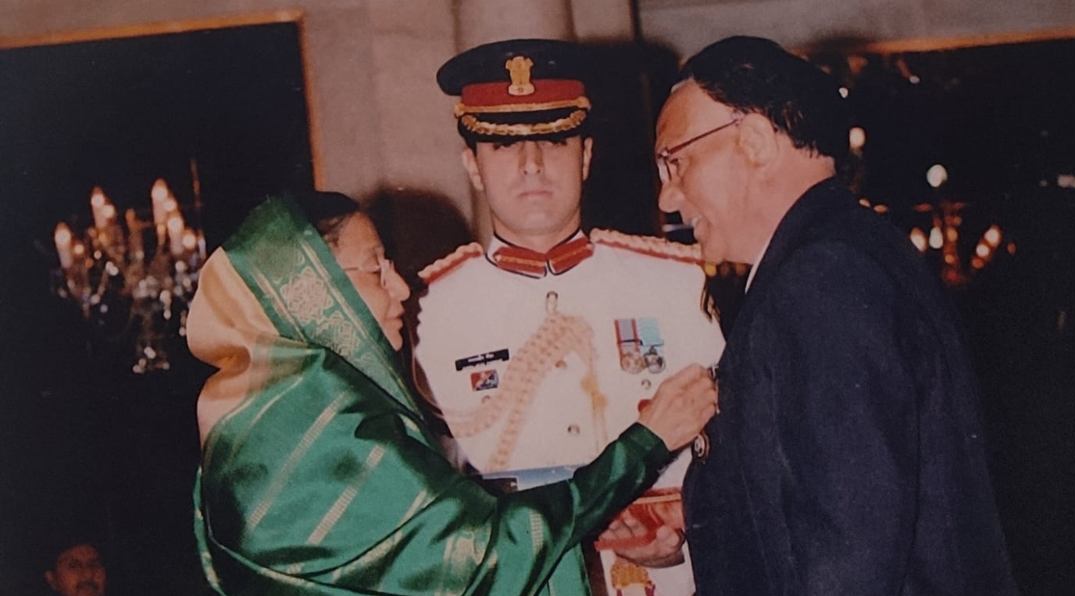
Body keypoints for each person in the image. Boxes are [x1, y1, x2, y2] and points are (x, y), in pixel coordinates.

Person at [188, 191, 716, 595]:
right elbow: (482, 558)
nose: (400, 289)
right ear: (313, 292)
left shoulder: (269, 411)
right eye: (376, 269)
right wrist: (644, 443)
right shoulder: (323, 424)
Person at [653, 36, 1018, 594]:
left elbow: (850, 555)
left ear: (752, 140)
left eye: (674, 162)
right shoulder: (843, 253)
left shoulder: (818, 278)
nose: (668, 199)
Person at [415, 39, 724, 595]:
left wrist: (679, 543)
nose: (531, 165)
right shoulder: (430, 312)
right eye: (505, 147)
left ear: (585, 155)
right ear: (473, 166)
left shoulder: (677, 285)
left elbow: (735, 461)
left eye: (554, 141)